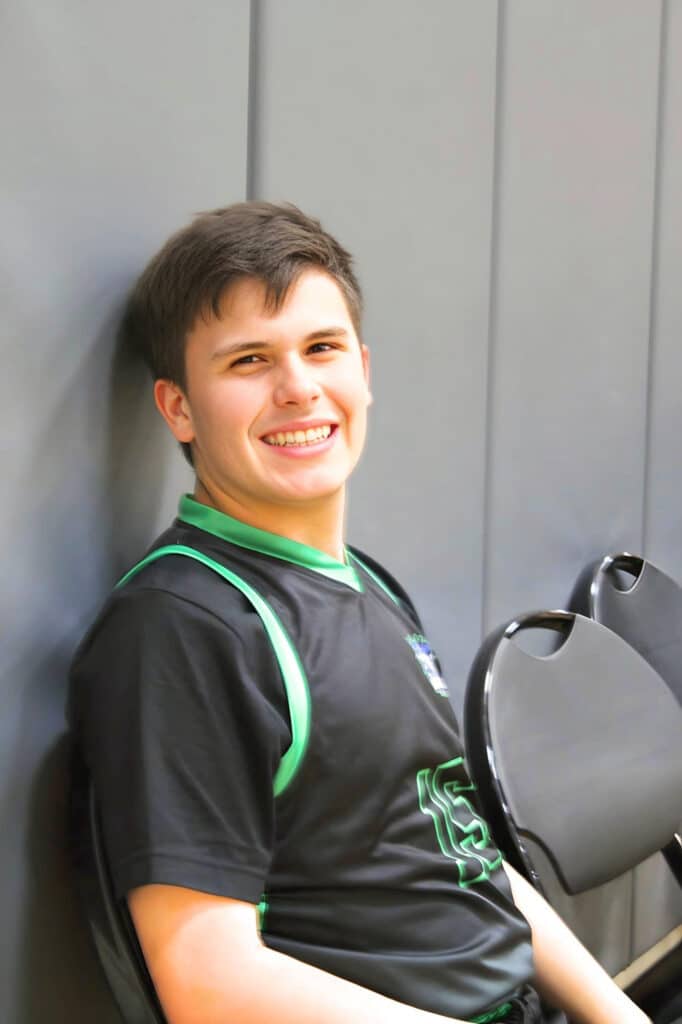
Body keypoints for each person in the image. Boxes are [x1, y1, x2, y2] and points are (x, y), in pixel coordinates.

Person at [69, 202, 648, 1024]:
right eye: (248, 360)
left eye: (321, 348)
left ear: (363, 371)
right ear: (179, 408)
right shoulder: (185, 627)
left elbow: (461, 848)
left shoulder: (365, 582)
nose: (298, 387)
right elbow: (208, 982)